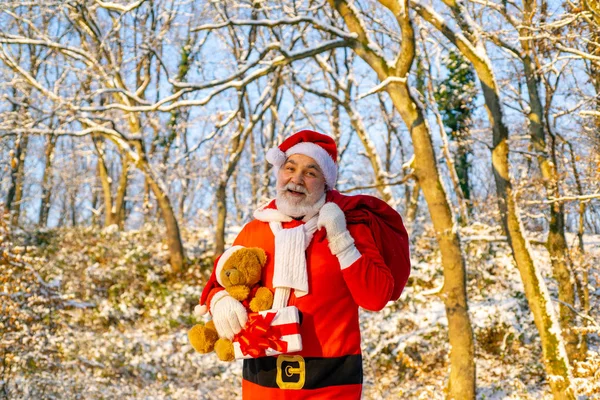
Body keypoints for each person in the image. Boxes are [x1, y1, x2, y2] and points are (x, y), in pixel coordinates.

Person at [198, 130, 411, 399]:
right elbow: (221, 281)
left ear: (326, 183)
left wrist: (340, 236)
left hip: (333, 379)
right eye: (290, 168)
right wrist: (221, 301)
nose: (297, 179)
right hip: (263, 377)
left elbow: (375, 298)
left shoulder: (350, 227)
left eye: (310, 172)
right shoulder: (255, 230)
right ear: (279, 172)